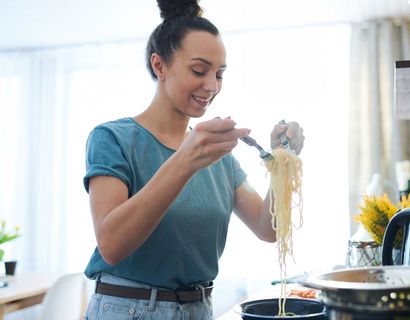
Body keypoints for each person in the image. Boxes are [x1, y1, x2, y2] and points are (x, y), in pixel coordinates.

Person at [82, 0, 305, 319]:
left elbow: (267, 228)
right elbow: (112, 244)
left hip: (198, 309)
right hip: (129, 309)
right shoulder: (113, 138)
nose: (212, 86)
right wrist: (185, 160)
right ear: (159, 65)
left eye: (219, 74)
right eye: (199, 70)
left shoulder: (215, 153)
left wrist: (284, 162)